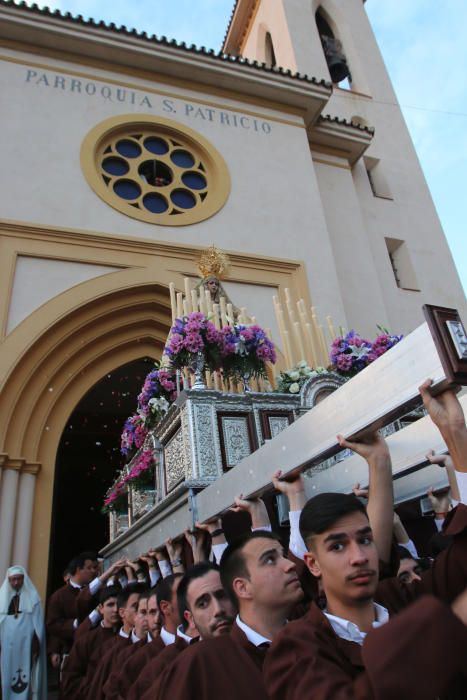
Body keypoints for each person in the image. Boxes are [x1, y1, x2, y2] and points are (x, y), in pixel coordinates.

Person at [264, 384, 467, 700]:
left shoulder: (403, 598)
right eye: (337, 546)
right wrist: (446, 628)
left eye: (366, 540)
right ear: (313, 564)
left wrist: (456, 436)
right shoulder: (299, 646)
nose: (359, 557)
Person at [157, 531, 303, 700]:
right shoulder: (197, 663)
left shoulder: (314, 638)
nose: (290, 565)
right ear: (242, 588)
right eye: (270, 560)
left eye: (222, 595)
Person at [136, 562, 234, 699]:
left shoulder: (261, 647)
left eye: (222, 596)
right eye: (203, 604)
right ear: (190, 618)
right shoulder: (181, 668)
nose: (218, 609)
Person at [60, 586, 119, 700]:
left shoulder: (128, 636)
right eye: (110, 605)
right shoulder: (87, 640)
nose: (115, 609)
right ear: (101, 608)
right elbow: (70, 679)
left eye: (118, 605)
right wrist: (96, 686)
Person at [0, 565, 47, 699]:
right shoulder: (2, 599)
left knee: (27, 675)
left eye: (18, 579)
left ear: (23, 579)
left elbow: (39, 626)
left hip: (26, 647)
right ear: (8, 581)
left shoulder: (33, 598)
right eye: (12, 580)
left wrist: (36, 642)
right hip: (8, 648)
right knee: (6, 676)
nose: (15, 582)